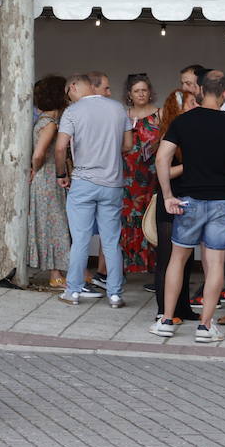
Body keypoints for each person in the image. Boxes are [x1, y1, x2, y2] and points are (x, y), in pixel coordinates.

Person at [154, 70, 225, 344]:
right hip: (221, 201)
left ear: (200, 91)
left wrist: (166, 196)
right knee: (215, 263)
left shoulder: (183, 122)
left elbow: (162, 159)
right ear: (224, 94)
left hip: (189, 199)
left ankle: (166, 320)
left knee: (177, 259)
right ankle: (205, 325)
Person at [54, 73, 133, 306]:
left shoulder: (73, 112)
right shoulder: (119, 108)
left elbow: (60, 148)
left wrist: (61, 174)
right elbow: (128, 145)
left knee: (80, 240)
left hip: (83, 182)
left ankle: (74, 291)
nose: (68, 97)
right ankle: (115, 293)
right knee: (111, 241)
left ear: (75, 86)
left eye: (69, 92)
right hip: (113, 183)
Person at [150, 90, 201, 332]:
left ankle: (183, 307)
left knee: (187, 258)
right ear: (178, 109)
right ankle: (163, 310)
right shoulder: (169, 136)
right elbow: (165, 172)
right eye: (192, 103)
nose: (196, 106)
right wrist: (190, 164)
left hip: (188, 199)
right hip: (169, 199)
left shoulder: (191, 133)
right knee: (167, 258)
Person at [28, 75, 71, 288]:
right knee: (57, 224)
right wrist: (36, 170)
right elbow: (38, 154)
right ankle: (56, 274)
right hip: (47, 177)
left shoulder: (42, 120)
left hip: (45, 177)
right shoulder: (51, 124)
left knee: (52, 223)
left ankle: (59, 271)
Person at [119, 73, 160, 275]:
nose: (141, 94)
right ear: (129, 94)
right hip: (128, 175)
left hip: (152, 175)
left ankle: (154, 268)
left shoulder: (159, 115)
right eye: (137, 91)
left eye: (144, 90)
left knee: (152, 218)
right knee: (128, 218)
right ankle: (130, 265)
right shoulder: (123, 115)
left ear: (150, 91)